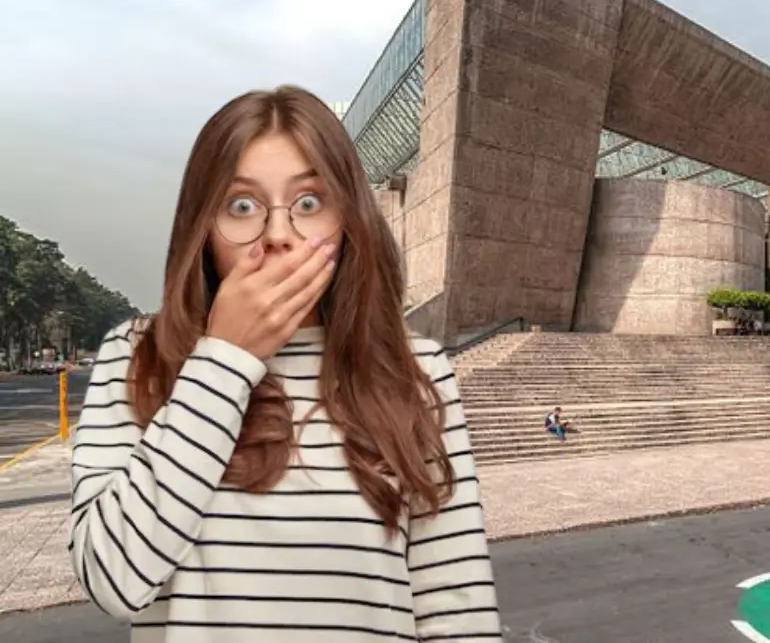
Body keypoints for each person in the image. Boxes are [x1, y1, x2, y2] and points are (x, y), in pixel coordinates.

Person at [68, 87, 501, 642]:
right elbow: (112, 580)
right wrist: (225, 359)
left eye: (309, 204)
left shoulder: (416, 371)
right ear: (202, 227)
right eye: (241, 206)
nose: (277, 235)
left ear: (348, 221)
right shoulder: (137, 358)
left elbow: (457, 613)